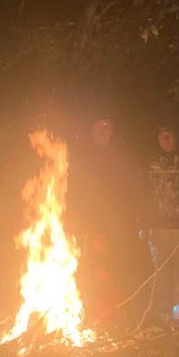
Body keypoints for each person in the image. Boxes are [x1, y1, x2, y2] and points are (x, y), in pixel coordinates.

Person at [69, 113, 145, 324]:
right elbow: (78, 191)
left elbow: (134, 188)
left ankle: (122, 317)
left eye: (107, 125)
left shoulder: (122, 155)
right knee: (94, 270)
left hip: (121, 225)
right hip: (92, 225)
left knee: (120, 270)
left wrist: (136, 217)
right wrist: (84, 223)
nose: (104, 130)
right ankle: (93, 317)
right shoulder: (84, 157)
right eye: (99, 125)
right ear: (92, 129)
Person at [144, 123, 179, 325]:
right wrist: (145, 221)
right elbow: (144, 192)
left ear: (176, 136)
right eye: (162, 135)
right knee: (160, 268)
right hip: (158, 225)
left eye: (169, 135)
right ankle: (161, 310)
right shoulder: (150, 161)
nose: (166, 140)